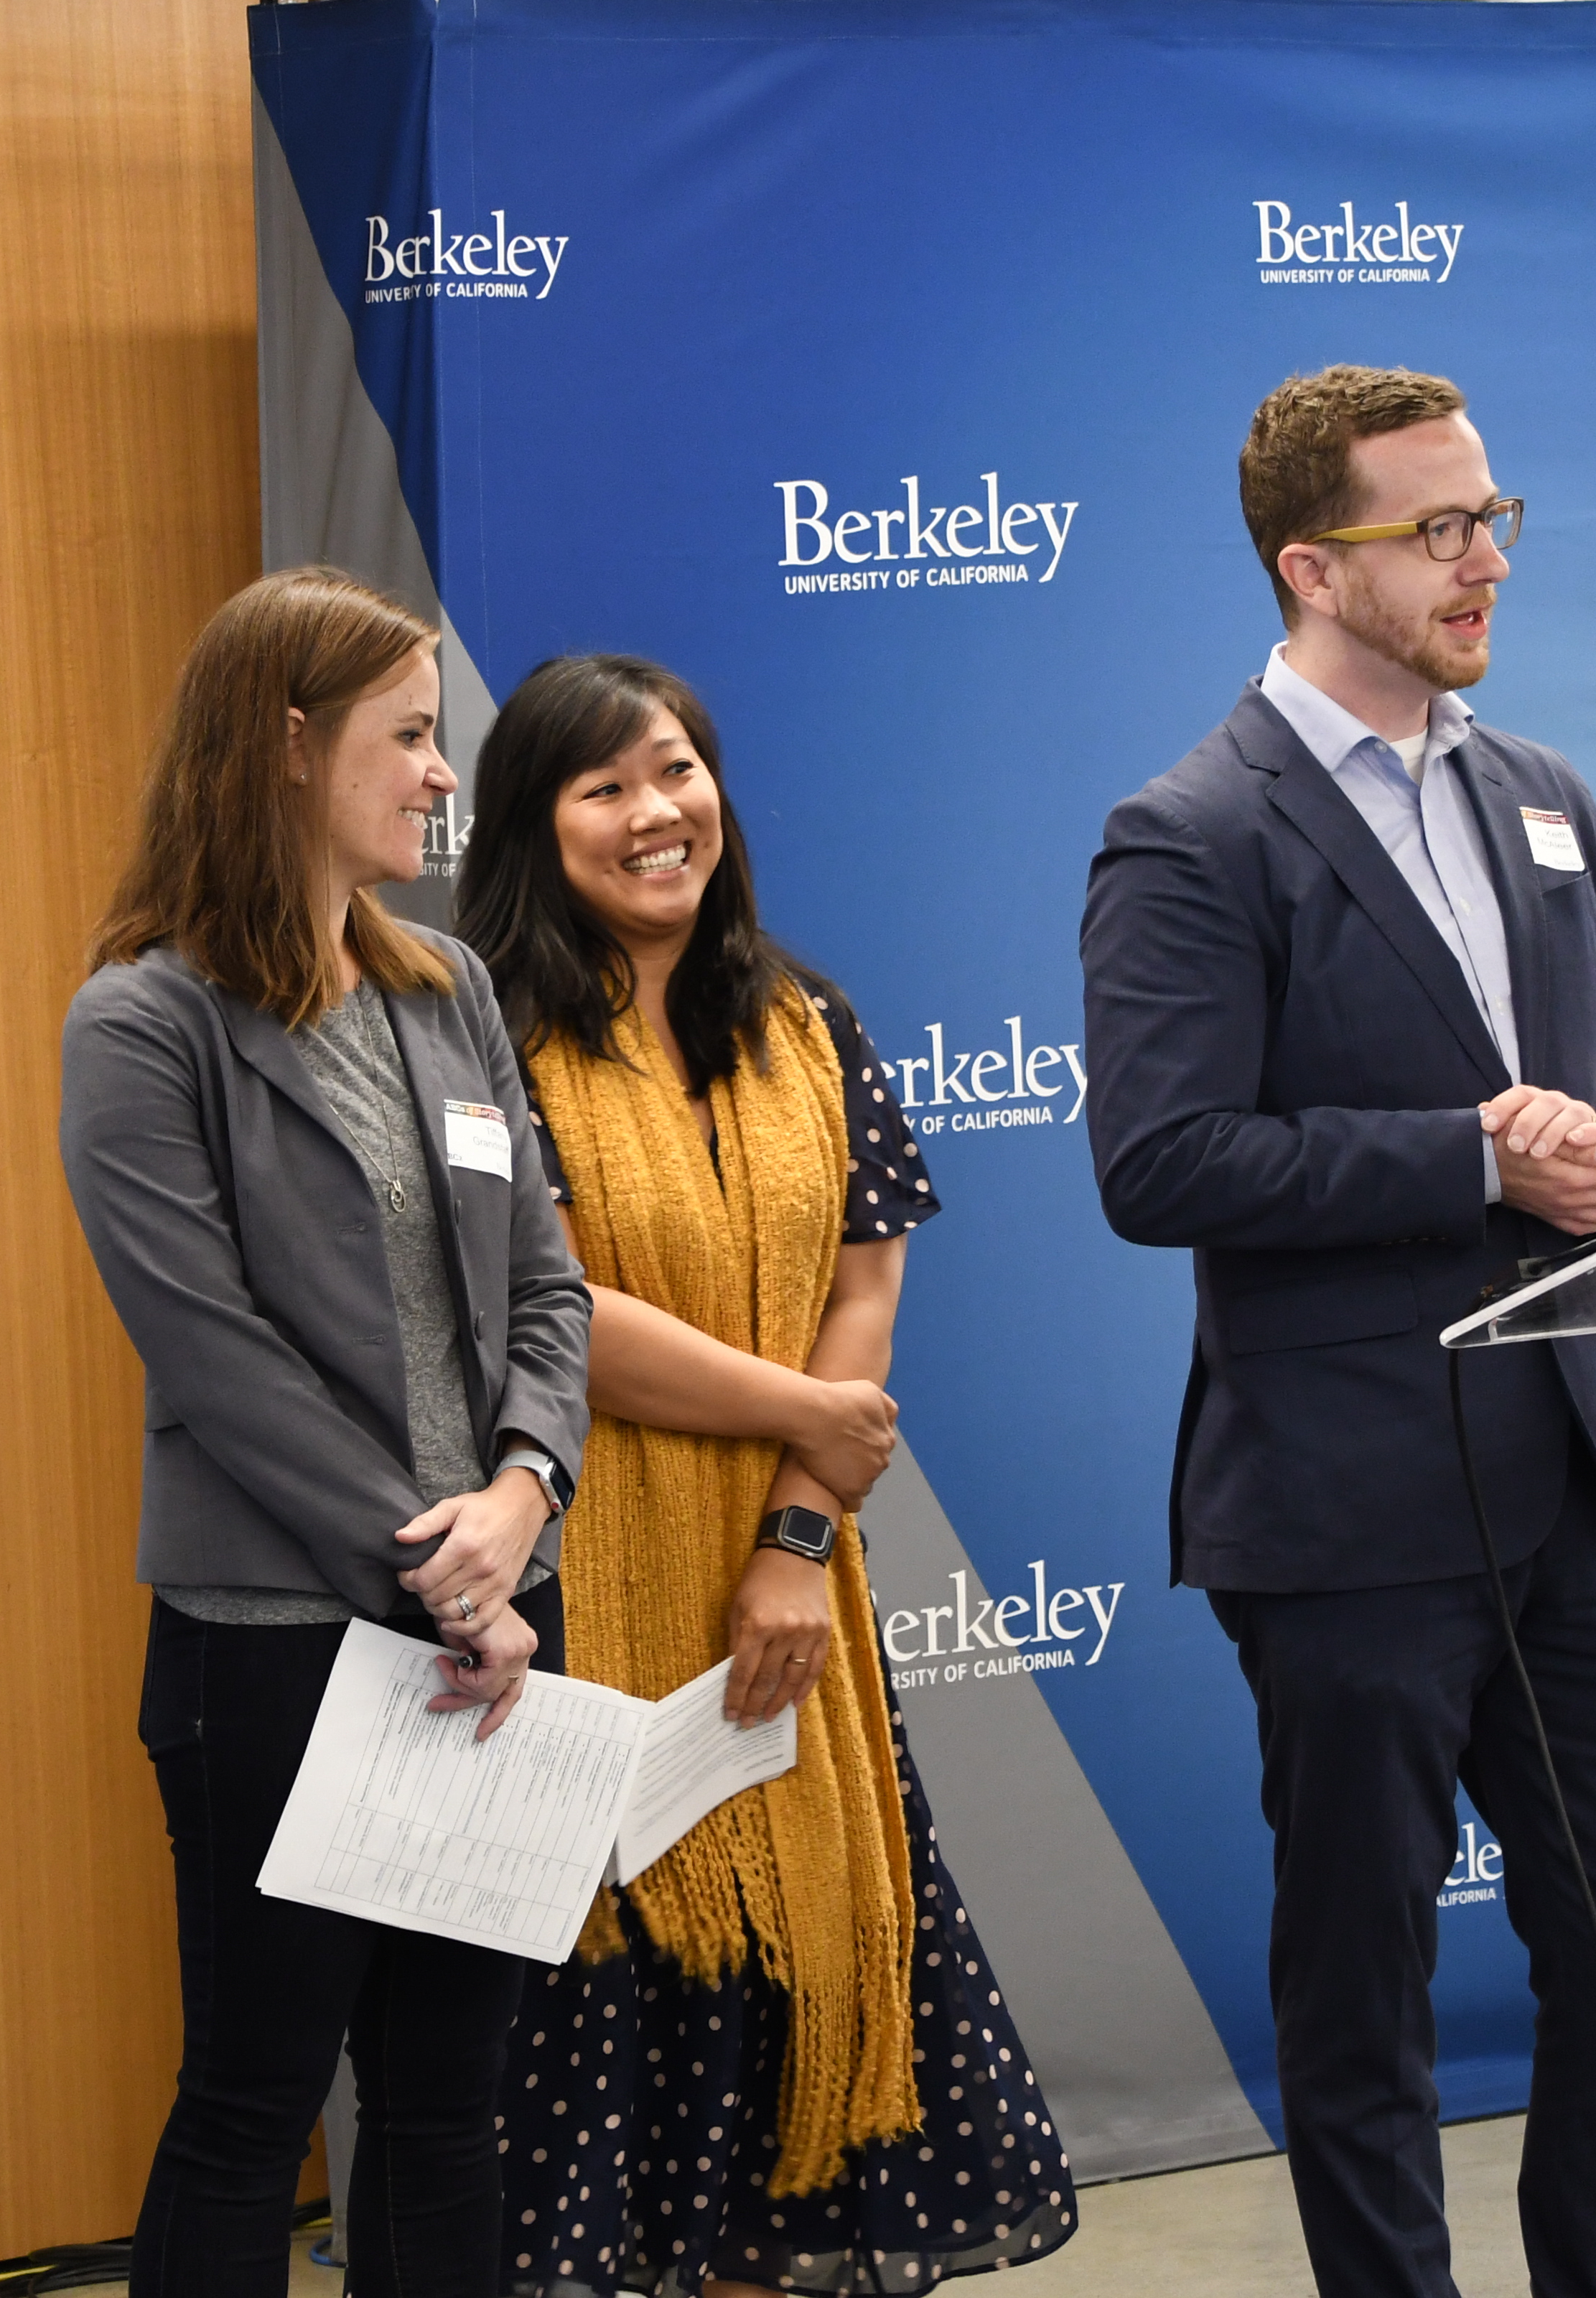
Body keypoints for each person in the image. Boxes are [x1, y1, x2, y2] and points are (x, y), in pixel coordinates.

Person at [1077, 367, 1596, 2298]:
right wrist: (1473, 1156)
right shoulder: (1191, 832)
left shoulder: (1542, 796)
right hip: (1347, 1511)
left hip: (1584, 1484)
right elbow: (1164, 1161)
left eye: (1494, 518)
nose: (1482, 562)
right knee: (1368, 1999)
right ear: (1306, 565)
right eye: (1434, 530)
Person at [456, 653, 1077, 2298]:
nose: (658, 814)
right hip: (571, 1607)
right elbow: (555, 1310)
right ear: (535, 825)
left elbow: (864, 1279)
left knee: (792, 2012)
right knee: (607, 2045)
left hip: (796, 1619)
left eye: (677, 769)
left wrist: (800, 1526)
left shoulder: (806, 1021)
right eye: (605, 788)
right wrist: (813, 1411)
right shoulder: (477, 1036)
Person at [59, 566, 594, 2298]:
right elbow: (216, 1361)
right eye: (412, 734)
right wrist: (442, 1565)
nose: (446, 772)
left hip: (499, 1619)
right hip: (288, 1649)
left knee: (448, 2108)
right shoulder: (142, 1021)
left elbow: (550, 1295)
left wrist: (522, 1492)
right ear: (288, 746)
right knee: (252, 2100)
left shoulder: (443, 989)